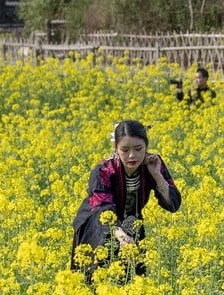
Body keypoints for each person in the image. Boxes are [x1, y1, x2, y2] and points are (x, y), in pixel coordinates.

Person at [71, 120, 182, 284]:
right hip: (98, 225)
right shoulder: (104, 169)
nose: (132, 155)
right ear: (116, 148)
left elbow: (173, 204)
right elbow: (102, 207)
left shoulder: (152, 163)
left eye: (138, 149)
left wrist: (157, 175)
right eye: (125, 150)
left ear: (146, 146)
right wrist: (119, 233)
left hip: (132, 223)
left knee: (134, 280)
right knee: (100, 277)